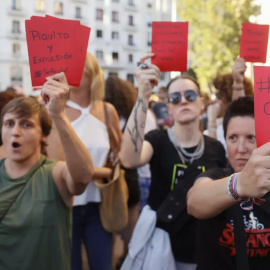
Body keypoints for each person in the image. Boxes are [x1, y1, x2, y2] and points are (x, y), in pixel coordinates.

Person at [120, 53, 227, 269]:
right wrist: (142, 95)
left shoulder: (215, 148)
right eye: (175, 98)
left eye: (189, 95)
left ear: (201, 104)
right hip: (161, 252)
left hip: (203, 251)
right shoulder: (157, 140)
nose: (183, 101)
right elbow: (129, 159)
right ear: (168, 107)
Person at [0, 72, 94, 270]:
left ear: (44, 135)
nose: (15, 131)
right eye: (9, 124)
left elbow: (84, 175)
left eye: (26, 124)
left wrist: (58, 115)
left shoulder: (55, 174)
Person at [47, 53, 122, 270]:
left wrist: (91, 171)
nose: (67, 73)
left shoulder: (107, 111)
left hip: (100, 205)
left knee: (103, 265)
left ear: (92, 73)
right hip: (63, 205)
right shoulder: (53, 112)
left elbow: (117, 158)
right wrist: (96, 172)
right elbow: (54, 163)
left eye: (76, 67)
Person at [187, 96, 270, 269]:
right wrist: (238, 184)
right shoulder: (216, 175)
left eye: (250, 138)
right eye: (233, 138)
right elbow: (194, 202)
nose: (241, 148)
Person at [206, 58, 253, 151]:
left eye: (219, 96)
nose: (215, 101)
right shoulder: (219, 123)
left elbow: (215, 155)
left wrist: (211, 123)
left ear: (229, 96)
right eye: (233, 138)